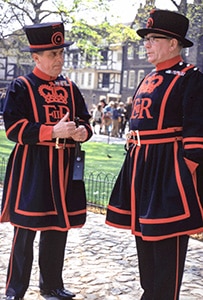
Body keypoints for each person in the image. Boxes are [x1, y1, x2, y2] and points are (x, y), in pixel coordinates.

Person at [106, 9, 203, 300]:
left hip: (169, 168)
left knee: (167, 247)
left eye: (153, 39)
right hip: (140, 166)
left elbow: (197, 129)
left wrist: (183, 170)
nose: (146, 44)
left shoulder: (191, 78)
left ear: (174, 43)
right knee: (144, 241)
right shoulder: (149, 77)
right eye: (145, 39)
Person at [0, 22, 92, 300]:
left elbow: (86, 123)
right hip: (32, 167)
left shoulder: (71, 87)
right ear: (36, 57)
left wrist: (81, 132)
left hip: (64, 167)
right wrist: (52, 131)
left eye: (61, 54)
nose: (60, 59)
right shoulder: (21, 86)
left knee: (57, 228)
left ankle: (51, 286)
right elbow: (14, 129)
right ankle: (15, 290)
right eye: (53, 54)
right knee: (25, 231)